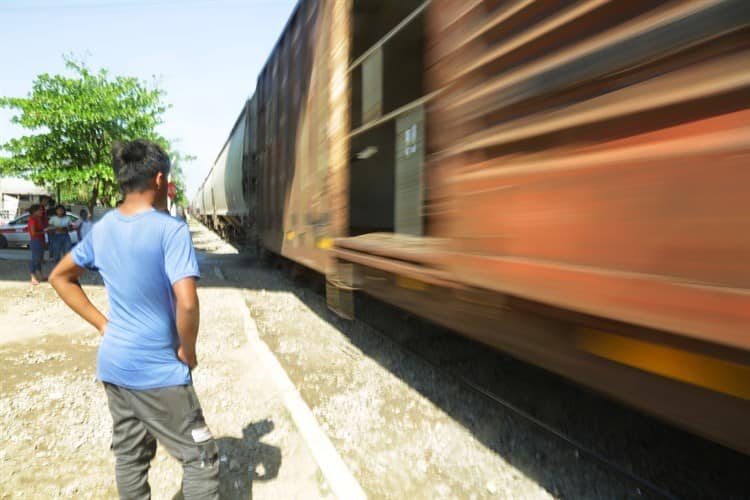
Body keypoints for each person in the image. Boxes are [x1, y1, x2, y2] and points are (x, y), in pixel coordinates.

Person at [49, 139, 219, 499]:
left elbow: (59, 277)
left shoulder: (104, 228)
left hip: (115, 365)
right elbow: (187, 303)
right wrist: (188, 350)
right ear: (159, 180)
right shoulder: (170, 230)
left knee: (130, 458)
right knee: (201, 458)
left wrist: (102, 324)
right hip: (159, 369)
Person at [27, 204, 46, 284]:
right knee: (35, 259)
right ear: (35, 211)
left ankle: (40, 276)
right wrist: (44, 231)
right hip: (35, 240)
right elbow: (34, 233)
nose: (41, 211)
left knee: (39, 259)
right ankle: (33, 277)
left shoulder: (39, 219)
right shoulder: (32, 220)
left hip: (40, 240)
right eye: (40, 210)